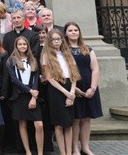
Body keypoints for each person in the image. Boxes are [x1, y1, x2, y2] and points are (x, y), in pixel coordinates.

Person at [64, 22, 103, 155]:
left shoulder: (87, 48)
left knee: (86, 118)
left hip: (89, 85)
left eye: (76, 30)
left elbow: (95, 68)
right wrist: (74, 89)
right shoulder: (64, 50)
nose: (74, 32)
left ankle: (85, 147)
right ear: (66, 33)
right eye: (70, 30)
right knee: (76, 118)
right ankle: (75, 148)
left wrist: (92, 88)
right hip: (74, 86)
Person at [41, 30, 81, 155]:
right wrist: (66, 93)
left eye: (59, 39)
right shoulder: (46, 55)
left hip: (70, 88)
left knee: (68, 124)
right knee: (59, 124)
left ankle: (69, 152)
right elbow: (50, 78)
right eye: (54, 39)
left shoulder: (67, 53)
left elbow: (74, 75)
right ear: (49, 41)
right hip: (56, 90)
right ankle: (63, 153)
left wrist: (72, 92)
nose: (57, 41)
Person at [8, 37, 44, 155]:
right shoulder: (11, 60)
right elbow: (14, 79)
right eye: (20, 44)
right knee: (22, 124)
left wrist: (33, 96)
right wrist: (30, 91)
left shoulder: (33, 60)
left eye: (24, 44)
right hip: (19, 95)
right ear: (16, 46)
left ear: (28, 46)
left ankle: (39, 152)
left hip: (33, 95)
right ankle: (28, 151)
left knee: (39, 125)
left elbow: (35, 79)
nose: (22, 46)